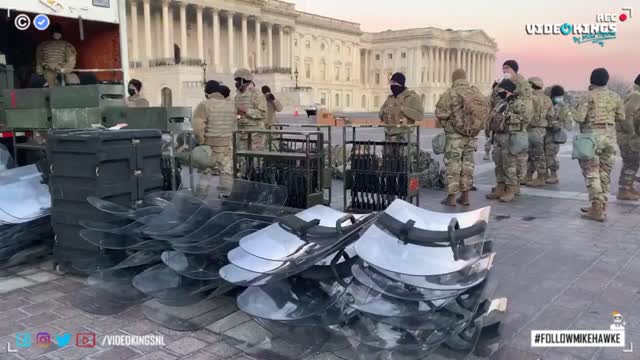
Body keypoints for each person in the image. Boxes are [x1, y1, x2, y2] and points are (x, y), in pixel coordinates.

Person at [575, 68, 625, 221]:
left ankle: (597, 208)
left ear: (592, 80)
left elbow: (579, 117)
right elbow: (621, 117)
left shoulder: (588, 96)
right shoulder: (615, 96)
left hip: (591, 137)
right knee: (604, 173)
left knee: (591, 173)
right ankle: (602, 207)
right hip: (609, 138)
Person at [435, 69, 482, 206]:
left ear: (453, 79)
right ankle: (466, 197)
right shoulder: (475, 92)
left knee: (453, 166)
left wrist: (447, 125)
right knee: (468, 166)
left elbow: (440, 112)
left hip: (455, 136)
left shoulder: (450, 93)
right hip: (471, 135)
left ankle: (451, 198)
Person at [485, 79, 529, 202]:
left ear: (508, 91)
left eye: (501, 90)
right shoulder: (502, 103)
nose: (499, 92)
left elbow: (526, 119)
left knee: (509, 165)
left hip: (510, 137)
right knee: (499, 164)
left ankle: (510, 189)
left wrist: (510, 118)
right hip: (498, 137)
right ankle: (500, 187)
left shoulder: (518, 103)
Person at [192, 80, 236, 195]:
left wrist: (201, 142)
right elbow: (234, 126)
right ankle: (225, 201)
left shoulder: (204, 104)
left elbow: (198, 127)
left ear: (206, 92)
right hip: (228, 147)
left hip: (210, 147)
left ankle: (199, 202)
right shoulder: (231, 105)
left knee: (205, 176)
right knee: (226, 176)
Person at [501, 60, 534, 190]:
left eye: (507, 68)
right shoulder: (505, 83)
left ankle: (514, 188)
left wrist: (511, 96)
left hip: (518, 127)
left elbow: (526, 109)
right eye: (503, 69)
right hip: (506, 127)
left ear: (515, 70)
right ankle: (508, 187)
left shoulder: (523, 85)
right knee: (507, 161)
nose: (504, 71)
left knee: (517, 161)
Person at [379, 72, 424, 142]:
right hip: (389, 138)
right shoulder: (390, 98)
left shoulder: (412, 97)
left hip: (405, 138)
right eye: (391, 83)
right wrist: (386, 111)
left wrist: (403, 109)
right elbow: (380, 115)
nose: (392, 85)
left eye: (394, 83)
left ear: (401, 84)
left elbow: (420, 116)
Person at [525, 77, 553, 186]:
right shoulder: (547, 99)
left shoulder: (531, 97)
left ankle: (541, 177)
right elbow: (551, 115)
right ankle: (530, 176)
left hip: (532, 128)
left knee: (536, 154)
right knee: (535, 153)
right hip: (542, 129)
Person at [616, 74, 640, 200]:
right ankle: (624, 190)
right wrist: (634, 134)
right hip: (630, 139)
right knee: (632, 163)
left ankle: (628, 187)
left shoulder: (634, 95)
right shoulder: (636, 96)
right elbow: (626, 117)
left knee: (631, 163)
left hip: (629, 138)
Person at [545, 85, 573, 184]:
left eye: (560, 96)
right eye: (557, 96)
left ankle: (553, 174)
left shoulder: (563, 106)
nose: (559, 98)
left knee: (551, 154)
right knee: (540, 154)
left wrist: (558, 124)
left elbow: (569, 123)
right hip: (543, 132)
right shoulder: (546, 103)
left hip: (554, 135)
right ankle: (544, 174)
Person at [234, 68, 267, 151]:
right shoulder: (237, 96)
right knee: (242, 160)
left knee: (255, 160)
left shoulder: (256, 95)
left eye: (238, 80)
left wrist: (246, 111)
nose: (236, 83)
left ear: (244, 80)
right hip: (242, 133)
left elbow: (262, 114)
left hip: (255, 134)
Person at [484, 81, 500, 160]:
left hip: (496, 120)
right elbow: (488, 108)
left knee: (494, 137)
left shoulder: (500, 97)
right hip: (491, 120)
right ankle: (487, 153)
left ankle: (492, 153)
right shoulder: (490, 97)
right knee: (490, 137)